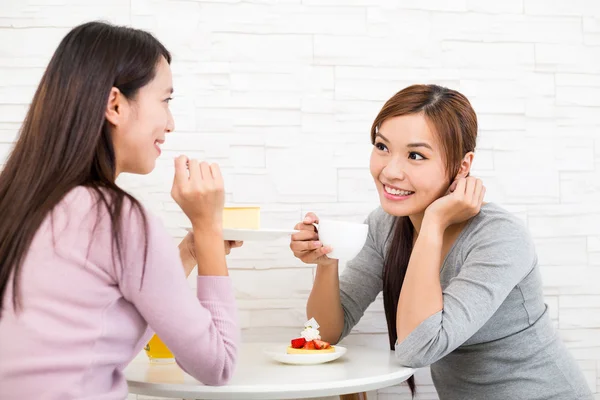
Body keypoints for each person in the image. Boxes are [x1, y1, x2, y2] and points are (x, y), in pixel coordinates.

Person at [290, 84, 593, 400]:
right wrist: (327, 261)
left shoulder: (500, 237)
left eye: (416, 155)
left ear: (462, 167)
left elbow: (418, 349)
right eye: (382, 147)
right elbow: (322, 335)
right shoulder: (384, 225)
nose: (391, 171)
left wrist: (433, 222)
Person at [0, 21, 242, 399]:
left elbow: (102, 325)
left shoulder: (15, 200)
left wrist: (189, 252)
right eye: (165, 101)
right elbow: (218, 364)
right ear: (115, 104)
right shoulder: (118, 220)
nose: (171, 124)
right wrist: (208, 227)